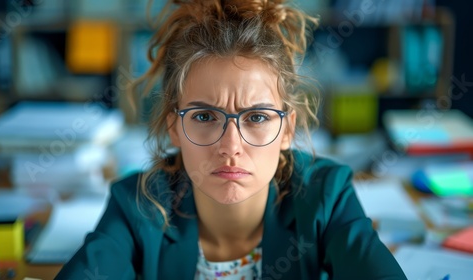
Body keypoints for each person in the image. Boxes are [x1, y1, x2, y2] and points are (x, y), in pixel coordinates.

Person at [56, 0, 407, 279]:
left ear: (287, 130)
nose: (230, 146)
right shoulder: (137, 204)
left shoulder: (326, 195)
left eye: (256, 117)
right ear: (174, 127)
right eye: (205, 117)